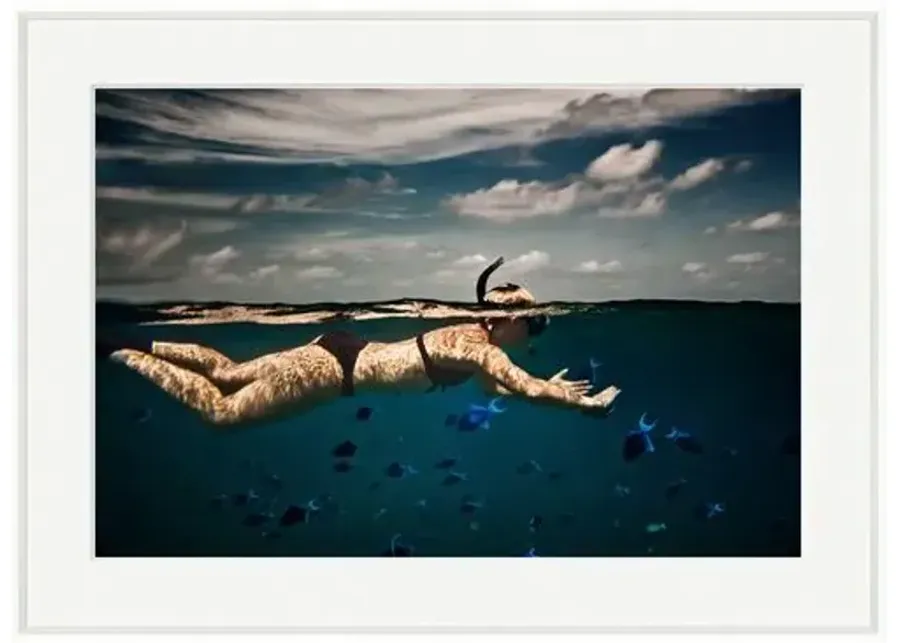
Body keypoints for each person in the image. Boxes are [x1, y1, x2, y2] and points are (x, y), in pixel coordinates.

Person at [99, 257, 622, 428]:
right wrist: (576, 403)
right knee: (221, 410)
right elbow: (521, 388)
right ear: (502, 320)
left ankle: (137, 344)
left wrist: (541, 388)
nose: (535, 330)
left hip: (340, 350)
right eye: (534, 321)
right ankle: (121, 350)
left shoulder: (477, 347)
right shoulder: (477, 344)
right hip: (335, 371)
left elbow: (503, 391)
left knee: (232, 372)